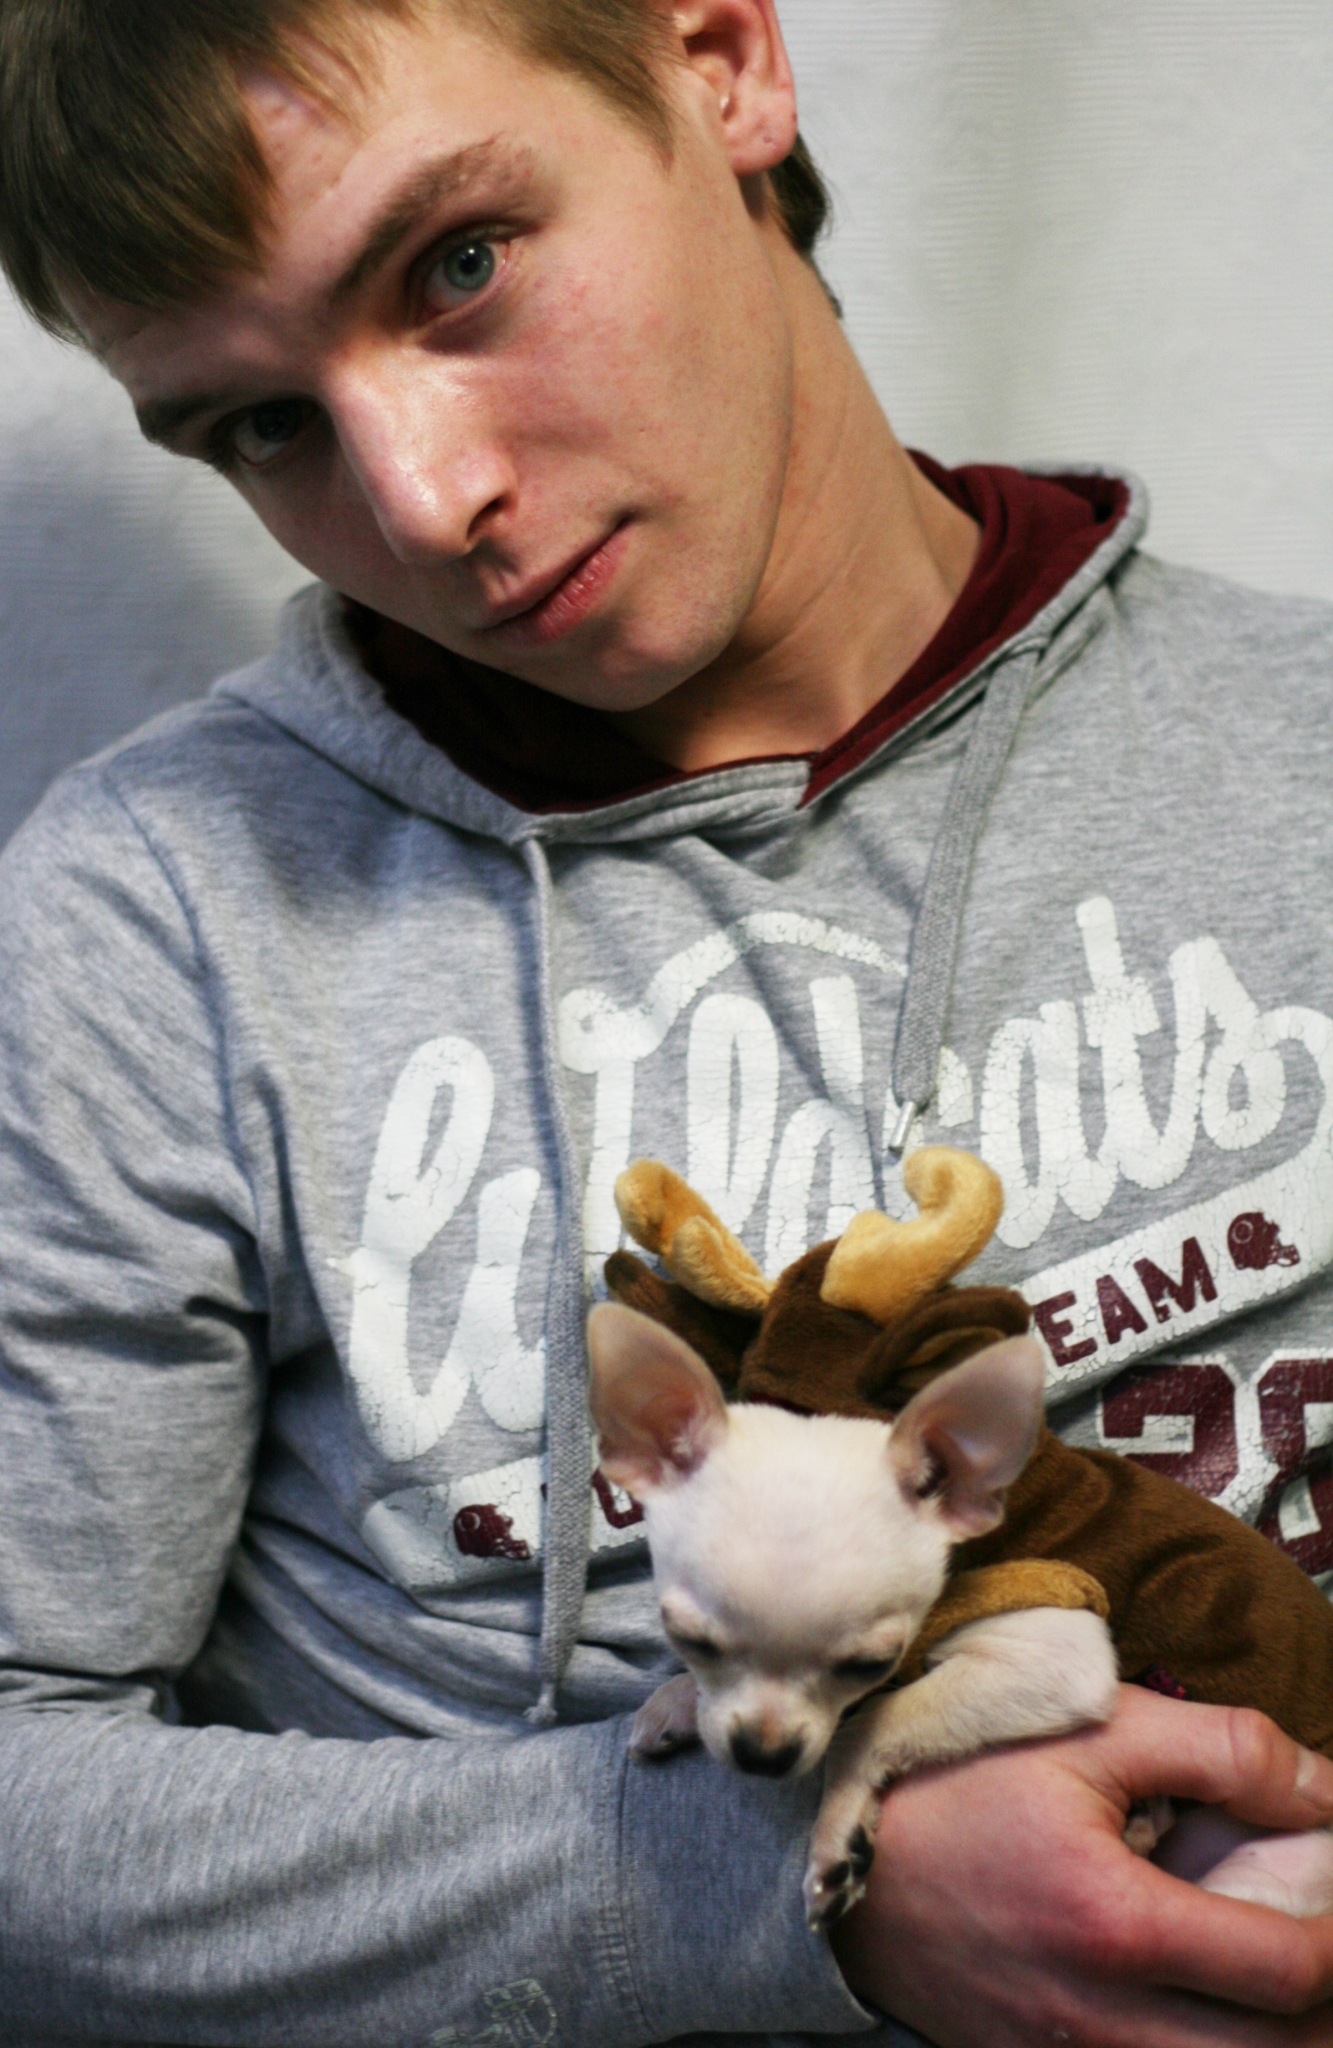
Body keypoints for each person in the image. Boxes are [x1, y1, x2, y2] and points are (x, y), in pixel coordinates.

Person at [1, 1, 1332, 2043]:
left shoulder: (1294, 750)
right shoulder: (148, 931)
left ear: (719, 62)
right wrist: (765, 1885)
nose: (425, 498)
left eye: (457, 265)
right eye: (262, 424)